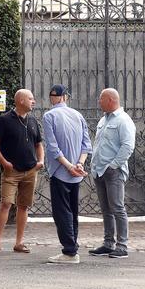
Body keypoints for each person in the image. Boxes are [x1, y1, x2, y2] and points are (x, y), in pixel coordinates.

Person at [0, 89, 44, 254]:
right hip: (11, 171)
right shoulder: (5, 120)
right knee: (6, 203)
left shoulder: (33, 121)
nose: (33, 101)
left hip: (31, 170)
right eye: (30, 98)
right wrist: (4, 163)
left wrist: (40, 161)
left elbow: (39, 144)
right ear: (20, 100)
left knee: (24, 206)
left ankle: (19, 242)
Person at [42, 84, 92, 264]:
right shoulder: (78, 115)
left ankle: (69, 251)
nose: (52, 98)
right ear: (66, 97)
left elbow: (52, 148)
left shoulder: (49, 116)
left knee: (62, 212)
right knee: (72, 211)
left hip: (60, 171)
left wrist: (70, 166)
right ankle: (72, 248)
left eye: (52, 95)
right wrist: (79, 164)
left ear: (58, 97)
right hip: (76, 172)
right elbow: (86, 145)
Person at [89, 88, 136, 259]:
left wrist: (114, 165)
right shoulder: (104, 120)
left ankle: (122, 246)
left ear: (110, 100)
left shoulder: (123, 120)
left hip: (113, 172)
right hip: (100, 171)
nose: (99, 102)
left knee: (117, 208)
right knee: (106, 209)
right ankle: (108, 244)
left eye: (101, 99)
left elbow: (128, 146)